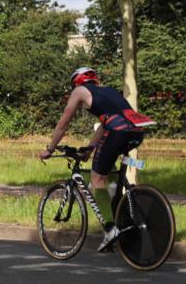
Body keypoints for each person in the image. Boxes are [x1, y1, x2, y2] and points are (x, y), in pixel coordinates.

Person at [39, 67, 154, 252]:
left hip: (117, 132)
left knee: (96, 178)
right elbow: (104, 124)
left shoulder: (79, 91)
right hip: (137, 131)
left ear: (76, 82)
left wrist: (50, 149)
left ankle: (110, 230)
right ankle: (121, 220)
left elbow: (63, 123)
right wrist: (90, 149)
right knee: (110, 175)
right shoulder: (108, 91)